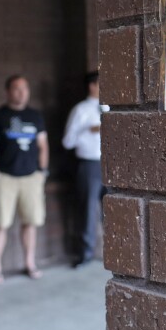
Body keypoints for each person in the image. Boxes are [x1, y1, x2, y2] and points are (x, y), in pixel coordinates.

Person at [0, 75, 48, 284]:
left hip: (31, 177)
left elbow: (43, 145)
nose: (22, 93)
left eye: (25, 89)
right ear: (8, 91)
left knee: (31, 221)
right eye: (17, 89)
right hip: (6, 179)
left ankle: (29, 263)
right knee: (0, 223)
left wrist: (42, 172)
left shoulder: (35, 116)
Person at [62, 71, 108, 267]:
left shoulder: (109, 108)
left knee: (113, 209)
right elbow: (67, 142)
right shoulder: (80, 110)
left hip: (110, 164)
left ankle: (115, 252)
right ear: (92, 85)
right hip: (89, 164)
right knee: (88, 211)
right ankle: (85, 254)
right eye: (100, 83)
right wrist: (88, 130)